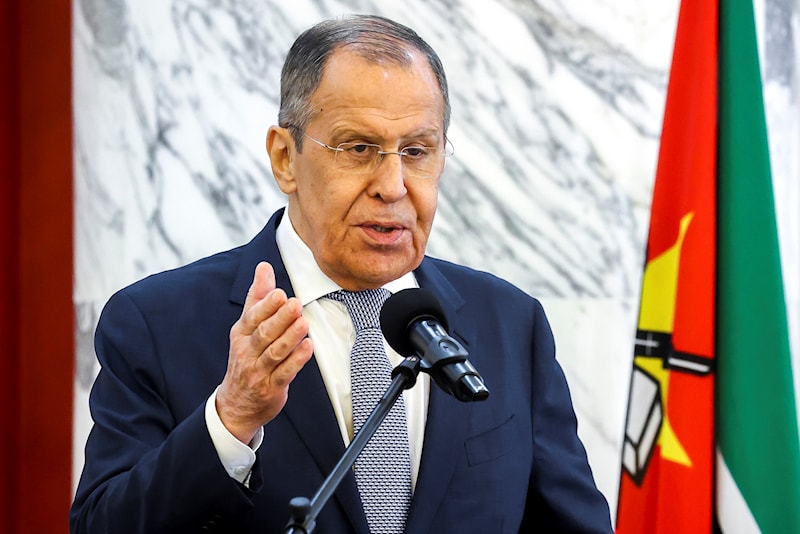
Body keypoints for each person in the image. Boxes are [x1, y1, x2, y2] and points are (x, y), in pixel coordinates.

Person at [70, 14, 612, 533]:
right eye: (359, 148)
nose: (394, 185)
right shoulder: (156, 324)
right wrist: (230, 420)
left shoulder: (510, 324)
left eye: (417, 151)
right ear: (286, 158)